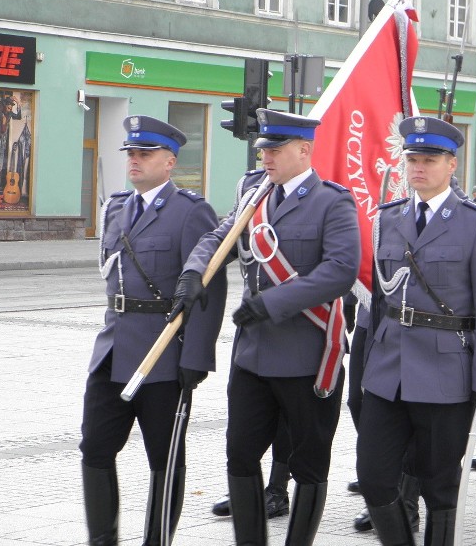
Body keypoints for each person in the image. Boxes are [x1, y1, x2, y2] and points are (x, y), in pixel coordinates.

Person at [173, 109, 361, 545]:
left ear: (303, 150)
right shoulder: (253, 193)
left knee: (309, 465)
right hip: (253, 356)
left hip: (307, 356)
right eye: (263, 150)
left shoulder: (333, 201)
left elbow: (340, 270)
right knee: (239, 456)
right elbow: (221, 235)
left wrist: (270, 304)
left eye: (275, 150)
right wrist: (194, 271)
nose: (266, 158)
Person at [357, 115, 476, 545]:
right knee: (373, 477)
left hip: (446, 375)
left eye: (429, 159)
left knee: (440, 488)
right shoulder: (388, 218)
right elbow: (378, 301)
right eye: (412, 159)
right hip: (389, 372)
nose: (418, 168)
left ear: (452, 165)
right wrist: (363, 370)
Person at [80, 115, 227, 545]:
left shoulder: (189, 211)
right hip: (113, 350)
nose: (135, 161)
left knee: (164, 459)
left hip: (163, 356)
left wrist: (196, 356)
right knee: (95, 449)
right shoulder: (116, 208)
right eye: (131, 153)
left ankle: (156, 540)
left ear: (169, 161)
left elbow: (208, 287)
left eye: (145, 154)